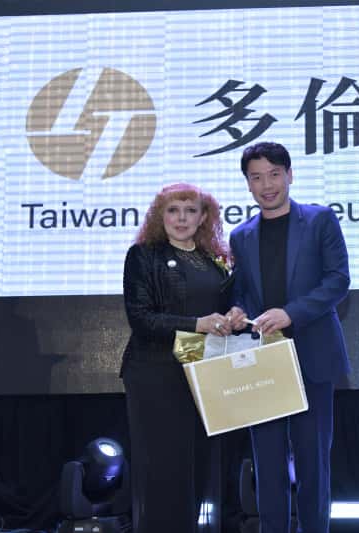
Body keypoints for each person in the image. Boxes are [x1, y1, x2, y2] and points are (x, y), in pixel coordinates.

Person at [227, 142, 351, 533]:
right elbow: (242, 291)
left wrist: (290, 313)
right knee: (267, 465)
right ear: (248, 184)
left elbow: (338, 280)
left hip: (313, 356)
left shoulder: (320, 220)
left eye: (274, 174)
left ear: (290, 175)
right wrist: (237, 310)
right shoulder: (240, 236)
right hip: (263, 361)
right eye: (256, 177)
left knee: (313, 463)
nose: (267, 185)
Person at [121, 182, 246, 533]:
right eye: (173, 210)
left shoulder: (214, 259)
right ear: (159, 216)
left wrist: (235, 314)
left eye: (191, 210)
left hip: (205, 374)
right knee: (165, 469)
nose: (182, 218)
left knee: (199, 467)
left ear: (204, 217)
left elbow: (226, 306)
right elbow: (141, 318)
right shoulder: (143, 255)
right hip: (156, 374)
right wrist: (197, 324)